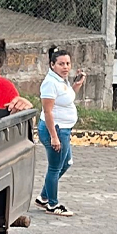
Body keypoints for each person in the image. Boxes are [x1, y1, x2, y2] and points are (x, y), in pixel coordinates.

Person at [37, 45, 84, 216]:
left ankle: (43, 197)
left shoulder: (60, 80)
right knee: (55, 168)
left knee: (66, 163)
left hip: (64, 129)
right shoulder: (50, 83)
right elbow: (48, 111)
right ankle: (53, 204)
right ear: (52, 65)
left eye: (68, 64)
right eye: (61, 64)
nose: (65, 67)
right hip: (56, 130)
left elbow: (67, 98)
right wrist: (54, 137)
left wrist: (77, 84)